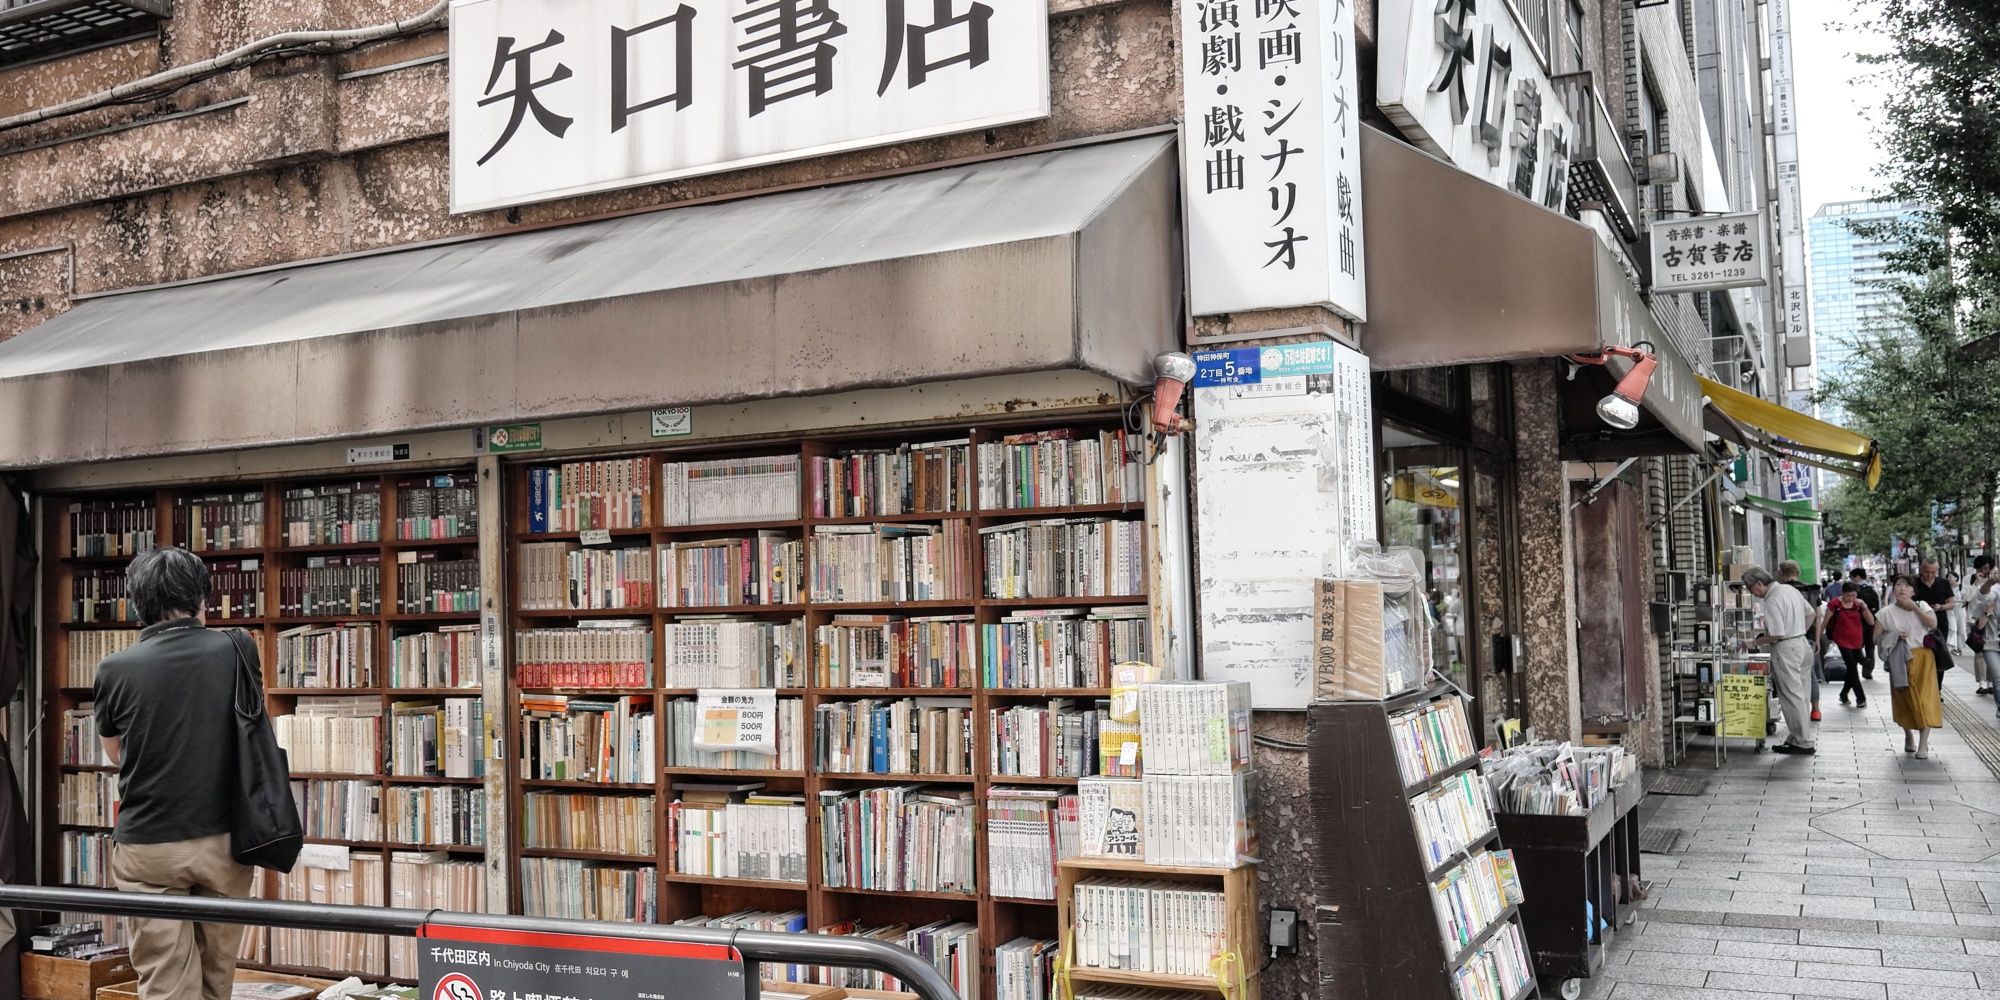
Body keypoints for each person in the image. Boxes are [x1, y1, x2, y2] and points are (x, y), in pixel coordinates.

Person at [92, 548, 254, 1000]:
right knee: (217, 976)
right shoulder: (239, 648)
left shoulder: (114, 668)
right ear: (203, 596)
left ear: (137, 603)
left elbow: (116, 754)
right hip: (226, 837)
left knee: (165, 980)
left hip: (149, 843)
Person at [1742, 566, 1816, 754]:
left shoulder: (1772, 599)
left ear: (1759, 583)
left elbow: (1776, 634)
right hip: (1802, 644)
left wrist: (1755, 642)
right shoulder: (1790, 590)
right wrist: (1799, 631)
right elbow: (1812, 613)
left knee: (1791, 696)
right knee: (1802, 695)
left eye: (1751, 588)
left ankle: (1802, 741)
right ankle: (1798, 736)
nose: (1752, 593)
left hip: (1786, 649)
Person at [1878, 577, 1944, 758]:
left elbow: (1933, 624)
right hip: (1899, 659)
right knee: (1904, 700)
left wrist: (1915, 608)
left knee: (1925, 699)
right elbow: (1875, 638)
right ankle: (1908, 735)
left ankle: (1923, 745)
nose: (1902, 589)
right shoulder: (1885, 613)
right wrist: (1893, 636)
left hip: (1923, 657)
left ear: (1913, 591)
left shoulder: (1922, 606)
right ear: (1893, 590)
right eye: (1898, 585)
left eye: (1907, 586)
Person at [1777, 561, 1824, 721]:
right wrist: (1817, 639)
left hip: (1787, 637)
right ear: (1799, 572)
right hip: (1808, 637)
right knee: (1809, 673)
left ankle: (1797, 711)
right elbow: (1817, 616)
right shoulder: (1813, 590)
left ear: (1782, 573)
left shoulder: (1781, 591)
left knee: (1790, 675)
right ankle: (1815, 709)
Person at [1820, 582, 1875, 708]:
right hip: (1842, 640)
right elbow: (1826, 621)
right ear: (1842, 593)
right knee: (1852, 667)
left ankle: (1844, 694)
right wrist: (1818, 638)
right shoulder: (1835, 604)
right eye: (1848, 595)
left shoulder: (1858, 604)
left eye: (1853, 595)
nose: (1851, 598)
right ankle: (1860, 698)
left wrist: (1865, 607)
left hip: (1857, 641)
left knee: (1851, 669)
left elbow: (1871, 621)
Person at [1848, 568, 1882, 679]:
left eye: (1852, 577)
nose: (1851, 580)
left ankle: (1854, 669)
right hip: (1871, 623)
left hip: (1857, 624)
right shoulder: (1873, 589)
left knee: (1856, 647)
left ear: (1857, 577)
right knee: (1870, 648)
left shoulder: (1853, 590)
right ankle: (1867, 672)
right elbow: (1879, 608)